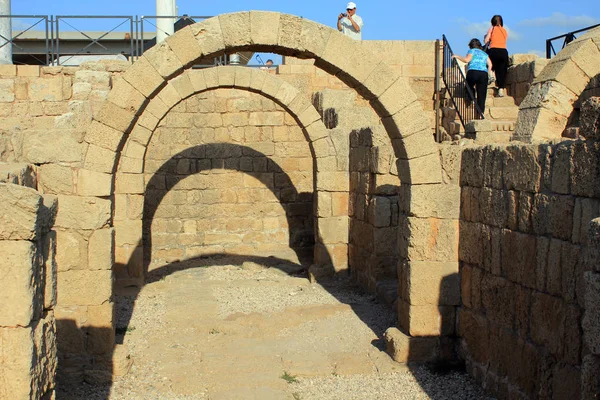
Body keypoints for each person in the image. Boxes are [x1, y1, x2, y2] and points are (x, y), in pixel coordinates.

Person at [452, 38, 493, 116]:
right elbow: (490, 64)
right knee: (482, 95)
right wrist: (487, 74)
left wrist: (457, 56)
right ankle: (481, 113)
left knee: (468, 85)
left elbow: (466, 60)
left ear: (471, 46)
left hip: (473, 71)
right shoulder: (484, 54)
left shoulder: (472, 51)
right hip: (483, 74)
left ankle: (471, 97)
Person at [484, 15, 509, 97]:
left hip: (494, 50)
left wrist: (487, 38)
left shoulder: (492, 28)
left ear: (492, 22)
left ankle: (490, 74)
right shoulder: (504, 31)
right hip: (504, 51)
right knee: (502, 70)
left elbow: (486, 41)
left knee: (489, 62)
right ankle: (501, 89)